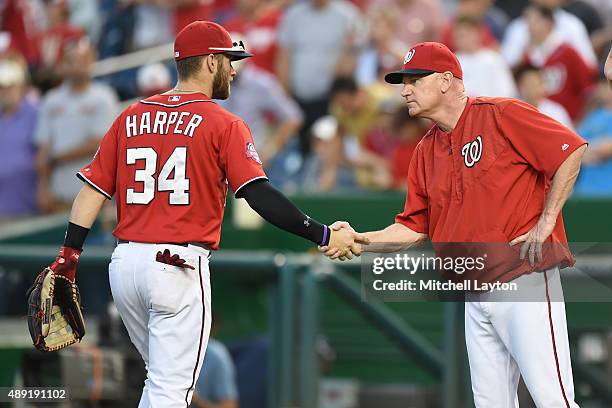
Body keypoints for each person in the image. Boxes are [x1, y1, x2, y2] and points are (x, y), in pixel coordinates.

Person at [35, 21, 366, 408]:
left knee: (159, 382)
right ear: (210, 62)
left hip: (124, 265)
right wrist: (323, 235)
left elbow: (92, 192)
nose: (234, 70)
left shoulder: (130, 115)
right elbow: (257, 194)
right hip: (177, 266)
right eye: (228, 60)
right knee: (170, 391)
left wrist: (69, 254)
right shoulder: (223, 122)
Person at [322, 42, 586, 407]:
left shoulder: (500, 113)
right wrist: (360, 238)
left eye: (415, 79)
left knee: (553, 400)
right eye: (404, 81)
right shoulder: (425, 151)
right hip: (473, 292)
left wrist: (546, 222)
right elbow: (413, 228)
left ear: (447, 80)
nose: (405, 90)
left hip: (523, 277)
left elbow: (570, 150)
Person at [35, 38, 118, 213]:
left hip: (95, 195)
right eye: (70, 62)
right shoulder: (51, 100)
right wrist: (43, 187)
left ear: (91, 63)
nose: (76, 67)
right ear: (62, 65)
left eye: (82, 61)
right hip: (60, 195)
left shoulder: (103, 97)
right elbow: (43, 147)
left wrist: (57, 158)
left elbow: (99, 142)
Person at [0, 53, 39, 220]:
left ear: (21, 87)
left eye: (10, 85)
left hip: (27, 207)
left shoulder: (36, 114)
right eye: (2, 86)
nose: (5, 91)